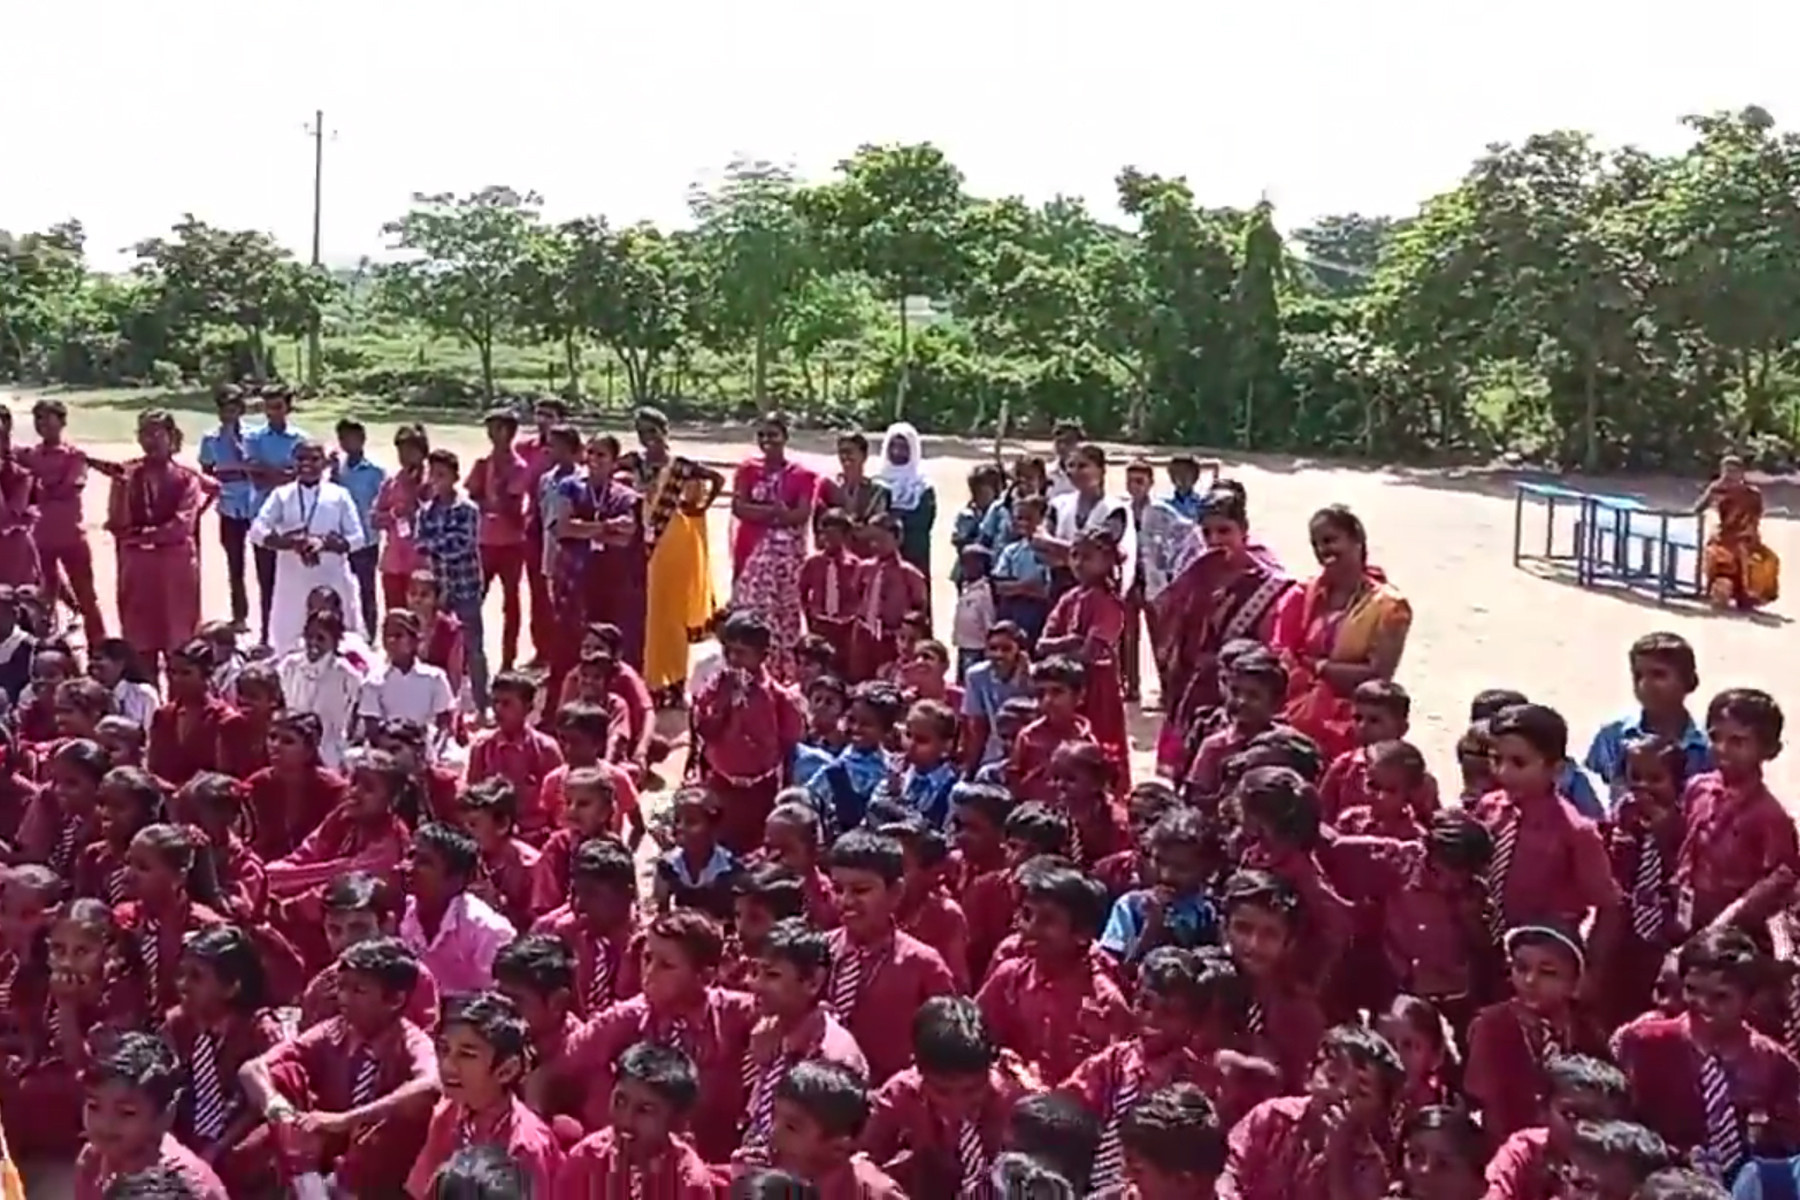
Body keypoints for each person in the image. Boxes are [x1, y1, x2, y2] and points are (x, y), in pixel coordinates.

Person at [1270, 504, 1411, 761]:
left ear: (1357, 540)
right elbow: (1280, 656)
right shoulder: (1302, 595)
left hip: (1354, 725)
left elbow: (1377, 676)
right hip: (1293, 718)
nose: (1323, 550)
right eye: (1316, 544)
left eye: (1330, 540)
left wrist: (1317, 666)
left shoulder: (1389, 606)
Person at [622, 407, 724, 707]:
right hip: (642, 544)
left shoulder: (680, 466)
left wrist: (701, 507)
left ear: (665, 431)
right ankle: (649, 682)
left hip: (674, 543)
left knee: (671, 616)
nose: (647, 437)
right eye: (642, 432)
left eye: (652, 431)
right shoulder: (634, 462)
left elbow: (717, 479)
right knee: (647, 615)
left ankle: (676, 683)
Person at [105, 411, 203, 679]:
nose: (151, 440)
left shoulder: (186, 478)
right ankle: (146, 698)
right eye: (145, 433)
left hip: (174, 568)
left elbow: (182, 526)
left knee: (179, 643)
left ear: (172, 437)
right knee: (139, 643)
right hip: (137, 568)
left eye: (157, 433)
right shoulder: (126, 474)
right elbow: (118, 525)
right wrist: (121, 489)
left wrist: (143, 535)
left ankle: (179, 698)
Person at [248, 437, 365, 655]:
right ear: (293, 461)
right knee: (288, 646)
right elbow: (256, 532)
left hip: (330, 580)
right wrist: (290, 543)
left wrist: (325, 544)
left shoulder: (339, 495)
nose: (307, 464)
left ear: (325, 463)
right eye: (301, 458)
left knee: (337, 643)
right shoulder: (282, 495)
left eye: (314, 459)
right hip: (292, 584)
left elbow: (358, 538)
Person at [730, 414, 820, 681]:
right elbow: (739, 508)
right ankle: (751, 672)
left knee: (785, 616)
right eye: (762, 435)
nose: (767, 440)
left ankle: (785, 676)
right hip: (753, 555)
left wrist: (763, 512)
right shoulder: (748, 469)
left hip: (786, 560)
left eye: (773, 435)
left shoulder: (802, 475)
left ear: (785, 437)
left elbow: (801, 514)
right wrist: (775, 512)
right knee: (754, 613)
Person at [21, 398, 107, 646]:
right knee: (43, 599)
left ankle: (98, 646)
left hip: (71, 537)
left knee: (86, 596)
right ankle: (46, 648)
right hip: (41, 539)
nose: (42, 425)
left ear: (62, 422)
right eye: (38, 419)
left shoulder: (74, 455)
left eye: (48, 419)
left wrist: (38, 488)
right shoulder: (31, 455)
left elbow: (70, 487)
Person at [413, 448, 488, 716]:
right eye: (432, 474)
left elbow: (463, 544)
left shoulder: (467, 509)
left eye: (442, 474)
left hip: (465, 587)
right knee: (436, 645)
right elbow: (419, 544)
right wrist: (440, 544)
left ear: (455, 476)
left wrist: (435, 544)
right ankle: (440, 705)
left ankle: (482, 705)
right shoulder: (426, 511)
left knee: (473, 647)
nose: (436, 480)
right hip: (437, 591)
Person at [466, 408, 531, 674]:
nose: (491, 434)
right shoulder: (484, 464)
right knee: (473, 599)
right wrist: (491, 500)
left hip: (511, 543)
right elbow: (474, 496)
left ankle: (508, 659)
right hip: (485, 541)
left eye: (495, 428)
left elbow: (511, 505)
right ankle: (469, 653)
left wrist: (492, 500)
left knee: (511, 603)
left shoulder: (518, 467)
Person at [242, 386, 307, 644]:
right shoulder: (254, 438)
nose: (272, 413)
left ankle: (297, 635)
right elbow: (254, 475)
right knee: (267, 581)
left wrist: (272, 473)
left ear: (288, 408)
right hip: (265, 520)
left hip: (294, 518)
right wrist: (284, 474)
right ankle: (267, 635)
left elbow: (304, 474)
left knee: (296, 581)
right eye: (268, 407)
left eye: (278, 407)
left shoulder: (300, 439)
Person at [197, 386, 258, 632]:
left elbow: (257, 466)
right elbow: (207, 471)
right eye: (224, 410)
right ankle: (240, 615)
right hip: (229, 505)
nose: (228, 416)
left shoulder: (254, 436)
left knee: (266, 561)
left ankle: (270, 614)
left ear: (241, 410)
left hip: (255, 504)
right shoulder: (210, 438)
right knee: (235, 564)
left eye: (233, 410)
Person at [1697, 454, 1780, 609]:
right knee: (1717, 559)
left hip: (1748, 540)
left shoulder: (1753, 493)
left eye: (1733, 471)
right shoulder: (1717, 489)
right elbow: (1699, 507)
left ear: (1741, 473)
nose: (1729, 475)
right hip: (1725, 538)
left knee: (1768, 562)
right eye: (1726, 471)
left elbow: (1755, 517)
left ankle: (1750, 596)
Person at [329, 417, 386, 636]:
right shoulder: (339, 469)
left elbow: (382, 501)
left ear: (362, 439)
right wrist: (333, 473)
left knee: (366, 588)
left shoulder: (375, 471)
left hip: (367, 538)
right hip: (342, 539)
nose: (346, 442)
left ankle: (370, 634)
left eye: (351, 437)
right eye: (342, 438)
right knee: (341, 587)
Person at [372, 423, 430, 613]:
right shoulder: (391, 483)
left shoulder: (432, 482)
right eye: (401, 450)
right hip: (394, 565)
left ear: (422, 451)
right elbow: (374, 519)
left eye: (411, 450)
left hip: (423, 566)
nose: (405, 455)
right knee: (396, 616)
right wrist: (394, 515)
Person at [876, 422, 937, 579]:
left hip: (914, 554)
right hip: (882, 554)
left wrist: (894, 520)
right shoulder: (877, 483)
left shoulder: (923, 486)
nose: (897, 452)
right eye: (893, 446)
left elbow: (924, 522)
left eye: (903, 447)